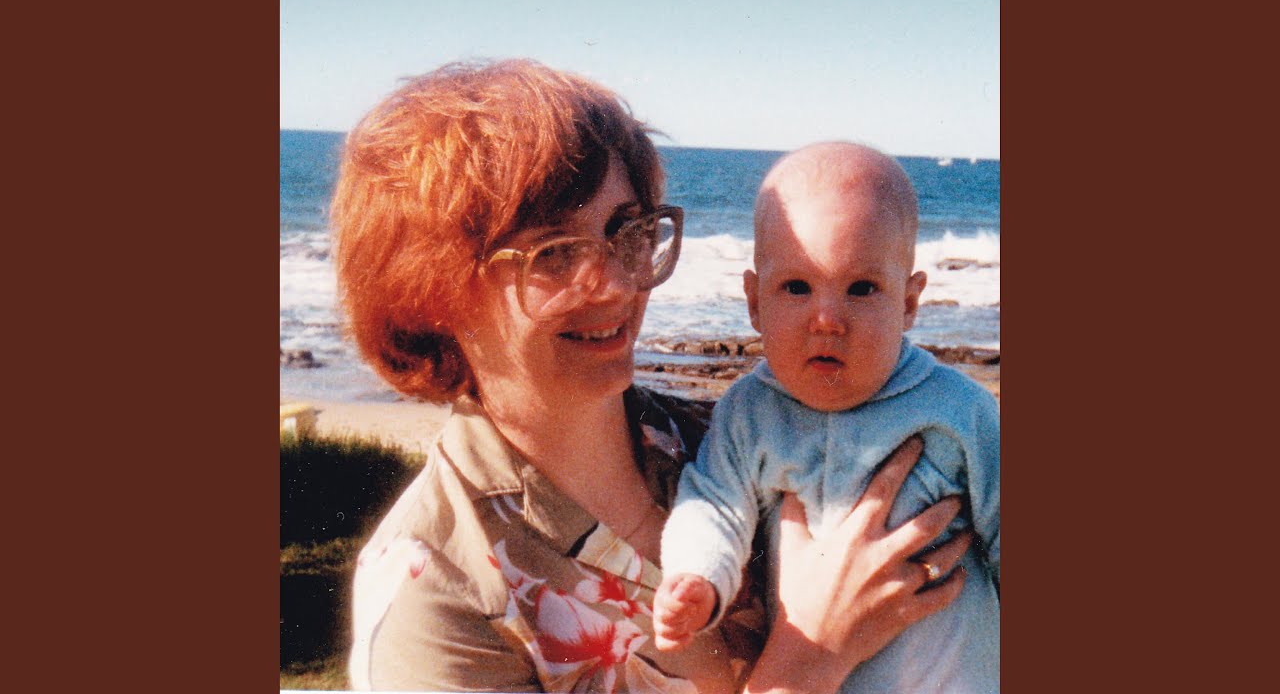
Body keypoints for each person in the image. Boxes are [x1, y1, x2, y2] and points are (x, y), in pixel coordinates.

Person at [331, 59, 972, 693]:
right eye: (555, 254)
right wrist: (813, 657)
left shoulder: (727, 439)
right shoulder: (435, 591)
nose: (615, 284)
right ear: (434, 292)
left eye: (627, 233)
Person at [653, 142, 1000, 692]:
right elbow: (713, 505)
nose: (827, 319)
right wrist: (697, 577)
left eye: (862, 288)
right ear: (754, 301)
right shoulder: (750, 413)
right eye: (797, 287)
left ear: (909, 302)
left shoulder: (959, 410)